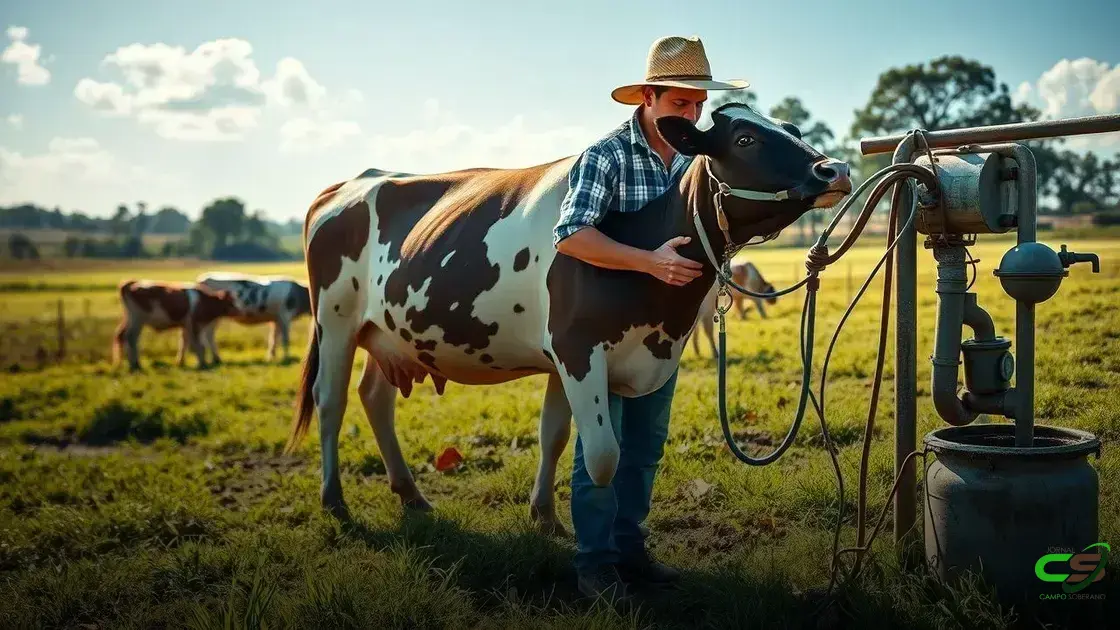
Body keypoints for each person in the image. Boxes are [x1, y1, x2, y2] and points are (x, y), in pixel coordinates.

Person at [551, 35, 750, 601]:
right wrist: (648, 262)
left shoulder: (697, 160)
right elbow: (571, 235)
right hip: (602, 332)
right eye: (678, 104)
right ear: (648, 97)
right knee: (602, 447)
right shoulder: (607, 155)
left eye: (696, 106)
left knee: (647, 445)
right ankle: (593, 563)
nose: (689, 115)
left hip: (662, 333)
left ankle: (630, 548)